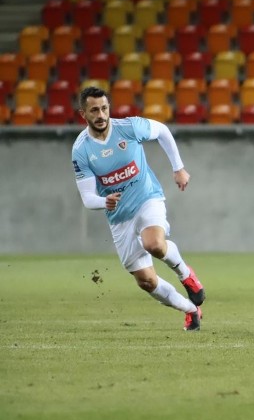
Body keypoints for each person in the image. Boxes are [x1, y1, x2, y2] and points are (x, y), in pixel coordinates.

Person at [71, 86, 205, 331]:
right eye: (94, 110)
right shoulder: (81, 150)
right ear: (83, 114)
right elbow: (88, 197)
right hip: (119, 217)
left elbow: (162, 131)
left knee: (153, 243)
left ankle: (186, 274)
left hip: (147, 198)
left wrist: (178, 168)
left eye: (104, 108)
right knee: (146, 281)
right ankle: (190, 309)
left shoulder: (128, 127)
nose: (100, 115)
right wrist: (104, 201)